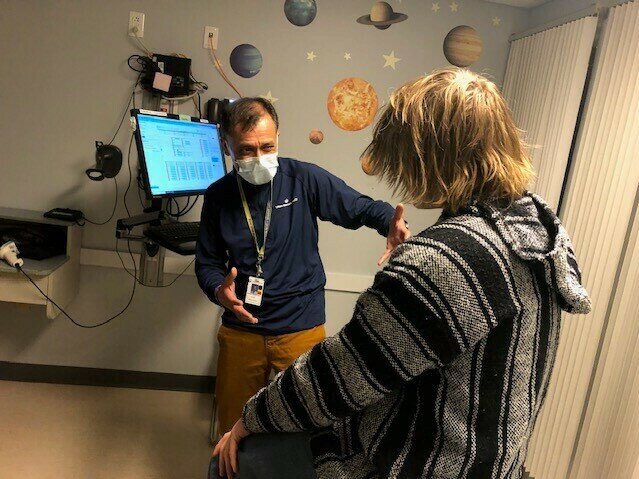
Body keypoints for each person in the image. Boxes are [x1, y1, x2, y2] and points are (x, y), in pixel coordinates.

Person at [211, 68, 592, 479]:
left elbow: (338, 377)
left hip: (412, 460)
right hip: (491, 458)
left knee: (227, 463)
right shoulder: (534, 224)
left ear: (427, 157)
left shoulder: (443, 259)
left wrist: (248, 421)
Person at [195, 97, 410, 437]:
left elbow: (358, 207)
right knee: (234, 428)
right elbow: (207, 262)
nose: (259, 157)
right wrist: (218, 292)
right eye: (247, 150)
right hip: (242, 329)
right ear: (227, 146)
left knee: (306, 428)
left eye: (267, 146)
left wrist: (390, 223)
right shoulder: (218, 195)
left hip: (300, 325)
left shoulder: (303, 179)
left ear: (278, 138)